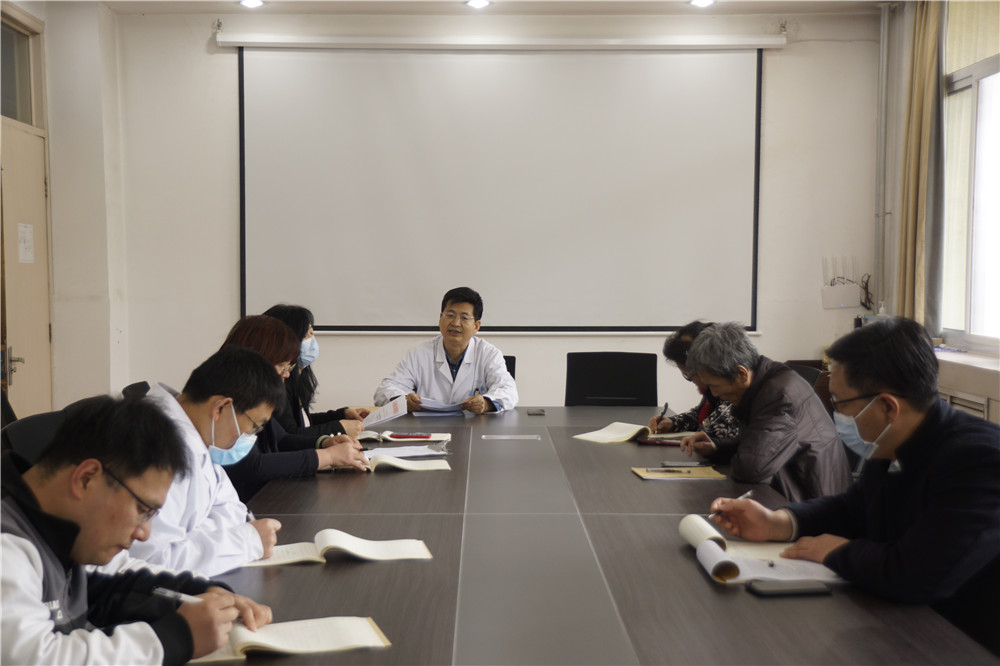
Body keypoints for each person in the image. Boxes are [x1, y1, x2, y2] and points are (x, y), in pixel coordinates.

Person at [708, 317, 1000, 655]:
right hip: (895, 622)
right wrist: (779, 522)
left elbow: (918, 575)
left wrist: (836, 552)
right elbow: (854, 507)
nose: (836, 414)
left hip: (960, 641)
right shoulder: (894, 441)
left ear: (887, 406)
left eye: (840, 402)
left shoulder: (980, 460)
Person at [1, 395, 272, 664]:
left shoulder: (65, 530)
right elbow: (34, 658)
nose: (145, 533)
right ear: (86, 478)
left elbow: (118, 577)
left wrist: (199, 593)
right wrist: (175, 638)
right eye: (143, 510)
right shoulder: (7, 546)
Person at [127, 347, 285, 576]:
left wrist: (195, 538)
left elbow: (235, 510)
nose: (251, 436)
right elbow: (152, 560)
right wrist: (246, 541)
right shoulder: (154, 447)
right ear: (221, 407)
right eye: (254, 426)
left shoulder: (199, 437)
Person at [682, 322, 851, 501]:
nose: (714, 394)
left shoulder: (779, 395)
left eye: (714, 386)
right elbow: (761, 442)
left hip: (814, 505)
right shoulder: (767, 379)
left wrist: (730, 452)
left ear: (741, 374)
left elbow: (751, 468)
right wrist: (717, 447)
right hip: (799, 493)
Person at [220, 315, 369, 501]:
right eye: (281, 366)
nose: (287, 375)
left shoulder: (254, 394)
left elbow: (281, 438)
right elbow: (254, 465)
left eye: (289, 366)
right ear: (257, 360)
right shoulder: (227, 401)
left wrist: (324, 443)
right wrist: (327, 456)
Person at [373, 287, 518, 414]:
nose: (455, 323)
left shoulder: (489, 354)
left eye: (464, 317)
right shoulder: (418, 354)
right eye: (450, 315)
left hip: (474, 427)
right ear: (440, 318)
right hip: (428, 428)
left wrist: (486, 403)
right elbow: (384, 391)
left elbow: (509, 391)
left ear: (476, 326)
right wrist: (403, 400)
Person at [264, 304, 369, 438]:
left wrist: (341, 415)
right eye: (308, 334)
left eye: (312, 333)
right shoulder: (278, 381)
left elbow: (303, 423)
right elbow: (289, 436)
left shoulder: (297, 376)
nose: (312, 340)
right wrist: (339, 428)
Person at [648, 321, 738, 444]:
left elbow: (712, 429)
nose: (693, 381)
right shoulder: (711, 389)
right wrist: (673, 423)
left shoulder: (730, 388)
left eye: (689, 375)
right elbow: (703, 415)